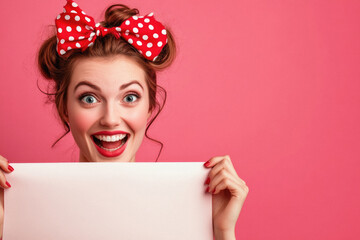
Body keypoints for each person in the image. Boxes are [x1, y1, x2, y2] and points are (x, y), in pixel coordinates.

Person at [0, 0, 249, 239]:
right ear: (64, 109)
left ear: (150, 106)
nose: (110, 119)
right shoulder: (21, 209)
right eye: (89, 98)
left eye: (129, 98)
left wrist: (222, 232)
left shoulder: (190, 207)